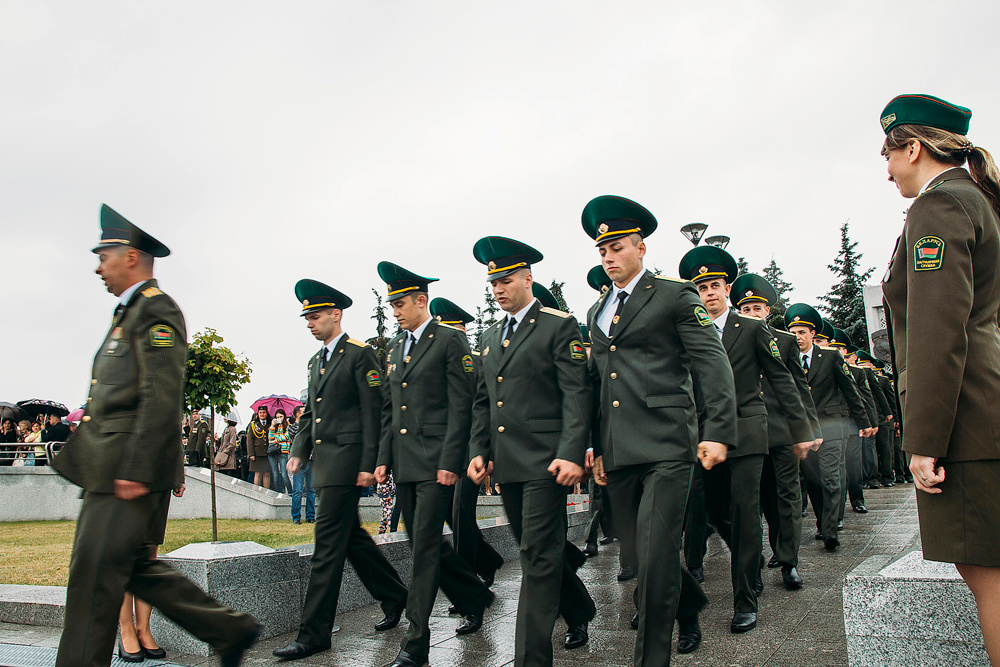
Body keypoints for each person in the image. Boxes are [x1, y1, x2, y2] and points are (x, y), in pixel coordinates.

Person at [49, 204, 260, 667]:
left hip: (125, 471)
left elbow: (161, 395)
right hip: (109, 470)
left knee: (94, 581)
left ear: (130, 257)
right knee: (131, 568)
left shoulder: (157, 310)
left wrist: (137, 469)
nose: (97, 265)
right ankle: (228, 628)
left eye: (103, 254)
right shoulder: (128, 313)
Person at [582, 195, 737, 664]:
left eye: (617, 248)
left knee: (651, 558)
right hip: (620, 449)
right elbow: (597, 385)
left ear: (641, 247)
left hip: (669, 443)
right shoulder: (597, 311)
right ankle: (687, 610)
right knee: (649, 552)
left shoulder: (673, 294)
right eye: (601, 251)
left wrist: (718, 430)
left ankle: (650, 657)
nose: (608, 258)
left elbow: (712, 361)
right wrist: (597, 447)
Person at [879, 93, 1000, 664]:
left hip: (969, 421)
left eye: (890, 157)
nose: (888, 173)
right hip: (987, 403)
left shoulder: (939, 207)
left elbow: (936, 331)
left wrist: (923, 439)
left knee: (990, 579)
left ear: (914, 146)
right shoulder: (979, 200)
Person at [469, 237, 596, 667]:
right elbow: (484, 401)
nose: (498, 289)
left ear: (528, 278)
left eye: (505, 281)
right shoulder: (488, 337)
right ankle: (579, 609)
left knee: (536, 558)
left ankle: (531, 658)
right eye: (493, 284)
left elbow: (576, 394)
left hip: (548, 461)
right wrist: (479, 450)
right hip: (508, 462)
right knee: (542, 549)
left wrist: (573, 451)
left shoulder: (557, 325)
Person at [677, 246, 813, 633]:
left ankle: (745, 600)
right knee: (713, 507)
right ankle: (748, 559)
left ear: (727, 288)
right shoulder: (688, 333)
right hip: (706, 435)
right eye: (701, 287)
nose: (709, 293)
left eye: (715, 285)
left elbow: (783, 380)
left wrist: (802, 430)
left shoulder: (751, 329)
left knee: (745, 509)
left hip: (749, 431)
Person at [272, 279, 408, 660]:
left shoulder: (359, 355)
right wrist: (298, 450)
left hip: (348, 466)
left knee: (326, 549)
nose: (311, 324)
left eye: (315, 316)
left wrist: (369, 465)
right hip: (325, 466)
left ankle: (313, 634)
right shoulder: (316, 361)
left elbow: (377, 412)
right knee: (353, 541)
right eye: (307, 319)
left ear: (337, 314)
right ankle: (397, 596)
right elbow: (310, 414)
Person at [374, 263, 496, 667]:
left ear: (421, 300)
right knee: (423, 543)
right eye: (391, 304)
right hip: (406, 465)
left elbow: (464, 405)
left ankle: (415, 645)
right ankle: (474, 595)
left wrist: (451, 461)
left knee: (424, 549)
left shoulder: (449, 340)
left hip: (438, 464)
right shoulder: (394, 348)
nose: (394, 310)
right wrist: (382, 460)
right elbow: (390, 409)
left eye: (400, 303)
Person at [730, 274, 819, 591]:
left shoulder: (784, 341)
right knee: (756, 500)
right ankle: (754, 564)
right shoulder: (731, 340)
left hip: (781, 431)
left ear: (767, 311)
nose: (752, 313)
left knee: (787, 497)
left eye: (757, 308)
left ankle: (788, 561)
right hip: (751, 433)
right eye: (746, 308)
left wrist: (807, 428)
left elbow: (797, 386)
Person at [428, 296, 504, 586]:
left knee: (461, 514)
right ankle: (488, 560)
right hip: (447, 454)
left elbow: (484, 409)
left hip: (472, 454)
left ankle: (467, 580)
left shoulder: (475, 361)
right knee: (451, 514)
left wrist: (486, 452)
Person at [784, 304, 869, 552]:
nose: (797, 337)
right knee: (813, 480)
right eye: (794, 333)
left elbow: (850, 391)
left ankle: (831, 530)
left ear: (812, 334)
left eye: (802, 332)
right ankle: (823, 522)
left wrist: (864, 422)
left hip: (831, 427)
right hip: (805, 431)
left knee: (832, 478)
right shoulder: (788, 360)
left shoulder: (830, 357)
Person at [288, 405, 315, 524]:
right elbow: (297, 435)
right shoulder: (293, 427)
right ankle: (296, 517)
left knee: (311, 490)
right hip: (300, 462)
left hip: (312, 460)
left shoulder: (311, 425)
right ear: (297, 414)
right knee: (297, 490)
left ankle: (310, 516)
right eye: (303, 412)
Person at [268, 409, 292, 494]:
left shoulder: (288, 425)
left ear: (284, 416)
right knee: (275, 475)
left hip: (283, 451)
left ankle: (290, 492)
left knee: (284, 474)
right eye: (277, 417)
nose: (279, 418)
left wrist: (275, 440)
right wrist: (272, 426)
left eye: (281, 417)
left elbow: (287, 437)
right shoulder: (274, 426)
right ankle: (278, 493)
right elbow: (270, 438)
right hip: (273, 452)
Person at [247, 406, 271, 489]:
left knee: (267, 474)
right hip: (257, 453)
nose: (262, 414)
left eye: (264, 412)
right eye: (260, 413)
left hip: (268, 453)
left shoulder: (270, 424)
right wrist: (251, 454)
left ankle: (266, 493)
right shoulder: (253, 425)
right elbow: (249, 440)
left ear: (267, 413)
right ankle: (256, 493)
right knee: (257, 474)